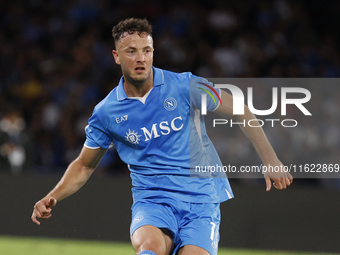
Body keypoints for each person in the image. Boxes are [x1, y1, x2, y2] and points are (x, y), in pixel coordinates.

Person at [31, 18, 293, 255]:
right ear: (116, 56)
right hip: (153, 201)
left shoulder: (184, 86)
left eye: (146, 51)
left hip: (200, 200)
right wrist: (52, 195)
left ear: (153, 52)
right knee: (150, 250)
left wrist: (270, 160)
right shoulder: (107, 112)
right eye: (131, 51)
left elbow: (239, 108)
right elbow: (84, 164)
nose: (140, 58)